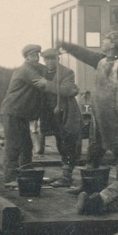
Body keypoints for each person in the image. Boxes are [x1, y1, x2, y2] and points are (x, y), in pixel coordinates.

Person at [57, 32, 118, 181]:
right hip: (99, 117)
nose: (102, 42)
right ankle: (89, 185)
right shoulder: (100, 61)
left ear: (113, 44)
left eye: (105, 40)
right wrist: (64, 44)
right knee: (93, 153)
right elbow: (82, 53)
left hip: (117, 118)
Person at [0, 45, 48, 187]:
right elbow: (42, 83)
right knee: (13, 145)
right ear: (26, 57)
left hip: (20, 113)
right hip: (12, 112)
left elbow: (44, 71)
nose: (36, 58)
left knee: (26, 145)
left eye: (38, 55)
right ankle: (10, 178)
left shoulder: (32, 68)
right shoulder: (26, 70)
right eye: (33, 55)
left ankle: (26, 173)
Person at [39, 48, 82, 187]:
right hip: (51, 114)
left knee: (68, 144)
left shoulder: (67, 72)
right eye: (47, 59)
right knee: (60, 143)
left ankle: (66, 176)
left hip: (66, 113)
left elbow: (66, 90)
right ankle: (65, 175)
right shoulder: (42, 72)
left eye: (53, 58)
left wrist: (47, 84)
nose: (50, 62)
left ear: (58, 59)